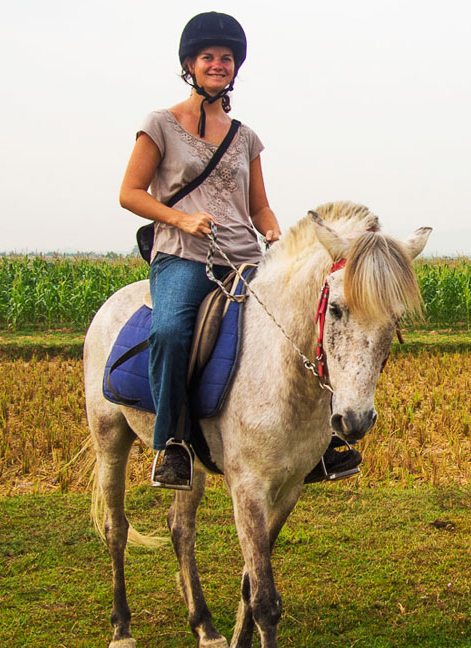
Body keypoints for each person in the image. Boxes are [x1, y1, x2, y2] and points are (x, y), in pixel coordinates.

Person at [119, 11, 358, 489]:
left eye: (226, 58)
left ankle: (323, 444)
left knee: (309, 326)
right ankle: (172, 444)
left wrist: (272, 232)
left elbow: (260, 207)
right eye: (208, 56)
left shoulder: (245, 136)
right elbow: (130, 193)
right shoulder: (160, 124)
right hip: (183, 256)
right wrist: (182, 218)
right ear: (190, 64)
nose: (217, 64)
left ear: (234, 68)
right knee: (169, 332)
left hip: (244, 258)